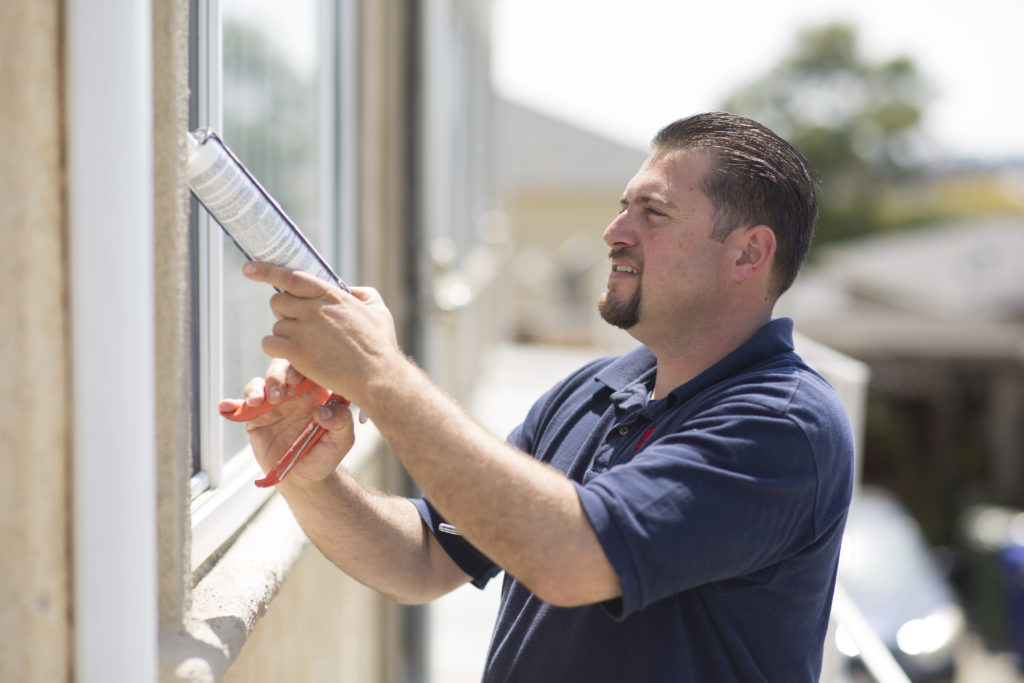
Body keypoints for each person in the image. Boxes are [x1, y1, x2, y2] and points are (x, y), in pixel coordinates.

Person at [221, 112, 855, 682]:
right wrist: (311, 481)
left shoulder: (781, 423)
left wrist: (379, 374)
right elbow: (426, 560)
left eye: (653, 213)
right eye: (622, 207)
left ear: (749, 252)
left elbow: (572, 558)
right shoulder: (592, 390)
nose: (614, 231)